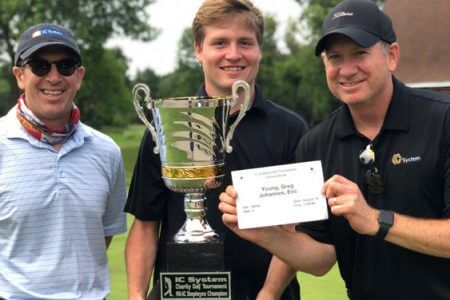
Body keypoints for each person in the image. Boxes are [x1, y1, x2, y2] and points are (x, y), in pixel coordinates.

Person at [219, 0, 450, 299]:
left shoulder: (443, 120)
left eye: (359, 53)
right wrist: (263, 233)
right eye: (335, 57)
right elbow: (320, 259)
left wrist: (375, 220)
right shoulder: (316, 144)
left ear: (391, 56)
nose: (347, 69)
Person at [124, 0, 308, 299]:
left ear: (259, 49)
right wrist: (136, 296)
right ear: (198, 50)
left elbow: (294, 228)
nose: (233, 54)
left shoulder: (290, 130)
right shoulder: (165, 126)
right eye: (220, 42)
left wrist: (269, 294)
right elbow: (146, 226)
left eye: (245, 43)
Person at [0, 23, 127, 299]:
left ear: (79, 76)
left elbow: (103, 234)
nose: (54, 77)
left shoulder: (107, 151)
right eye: (40, 66)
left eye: (66, 66)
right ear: (20, 75)